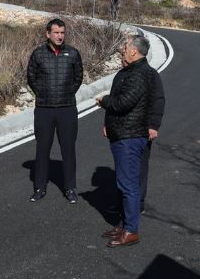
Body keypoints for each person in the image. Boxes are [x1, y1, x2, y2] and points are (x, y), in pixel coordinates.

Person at [96, 33, 154, 248]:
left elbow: (123, 103)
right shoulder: (130, 72)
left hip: (130, 136)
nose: (122, 49)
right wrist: (108, 122)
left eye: (125, 46)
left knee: (128, 184)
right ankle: (124, 224)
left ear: (134, 50)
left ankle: (131, 231)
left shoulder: (139, 74)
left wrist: (104, 101)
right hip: (122, 133)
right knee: (124, 183)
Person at [27, 18, 83, 203]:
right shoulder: (38, 54)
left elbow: (78, 77)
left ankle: (70, 188)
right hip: (44, 109)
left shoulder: (73, 53)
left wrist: (67, 93)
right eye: (56, 32)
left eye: (62, 33)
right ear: (48, 34)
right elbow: (31, 77)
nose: (60, 36)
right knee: (42, 150)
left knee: (69, 150)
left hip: (67, 109)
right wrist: (43, 94)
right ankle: (39, 187)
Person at [140, 62, 165, 214]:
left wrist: (153, 125)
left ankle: (139, 203)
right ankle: (123, 202)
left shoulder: (150, 74)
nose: (123, 52)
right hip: (124, 131)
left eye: (126, 48)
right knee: (125, 170)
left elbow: (158, 100)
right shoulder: (124, 73)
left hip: (142, 129)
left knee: (140, 167)